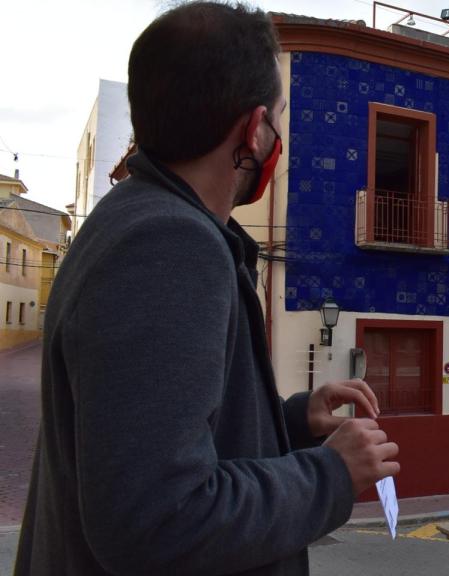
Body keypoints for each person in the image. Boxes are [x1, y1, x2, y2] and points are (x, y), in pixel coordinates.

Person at [15, 3, 399, 575]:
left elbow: (154, 430)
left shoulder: (133, 219)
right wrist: (330, 474)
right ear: (254, 130)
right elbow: (156, 519)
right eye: (279, 118)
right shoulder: (167, 245)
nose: (279, 136)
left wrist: (290, 421)